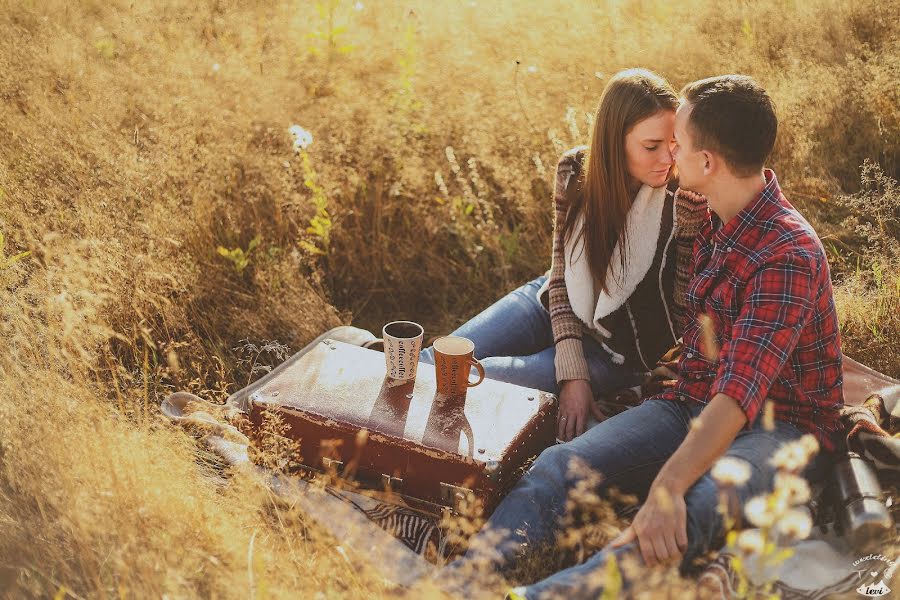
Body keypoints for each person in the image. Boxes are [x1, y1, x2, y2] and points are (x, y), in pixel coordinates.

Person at [435, 74, 845, 598]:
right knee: (560, 465)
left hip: (780, 428)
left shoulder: (788, 252)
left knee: (683, 515)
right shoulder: (718, 216)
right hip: (691, 402)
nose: (670, 152)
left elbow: (738, 396)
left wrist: (669, 486)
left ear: (706, 163)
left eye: (680, 142)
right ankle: (462, 585)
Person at [420, 68, 707, 442]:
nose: (666, 158)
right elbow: (560, 274)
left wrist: (583, 371)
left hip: (617, 350)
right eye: (650, 146)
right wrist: (571, 374)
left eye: (673, 143)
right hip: (556, 299)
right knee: (439, 362)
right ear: (612, 143)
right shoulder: (575, 172)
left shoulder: (685, 197)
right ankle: (351, 430)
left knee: (480, 378)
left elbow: (682, 320)